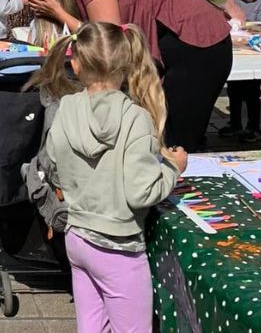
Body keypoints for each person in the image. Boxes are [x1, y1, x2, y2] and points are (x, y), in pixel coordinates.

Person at [37, 22, 185, 333]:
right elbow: (141, 192)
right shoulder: (136, 119)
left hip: (77, 237)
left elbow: (53, 157)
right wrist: (173, 168)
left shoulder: (66, 107)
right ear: (128, 63)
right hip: (118, 246)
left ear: (75, 64)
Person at [24, 0, 233, 151]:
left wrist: (60, 15)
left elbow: (108, 41)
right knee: (164, 136)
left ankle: (176, 183)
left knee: (175, 141)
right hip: (185, 43)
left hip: (198, 42)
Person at [219, 0, 261, 144]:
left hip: (253, 55)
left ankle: (253, 126)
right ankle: (235, 123)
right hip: (234, 54)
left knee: (252, 93)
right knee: (233, 90)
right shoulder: (232, 0)